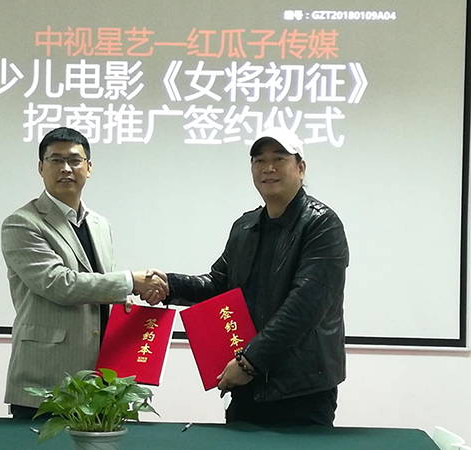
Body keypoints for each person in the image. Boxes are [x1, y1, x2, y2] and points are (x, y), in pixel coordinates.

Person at [145, 128, 349, 426]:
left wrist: (249, 362)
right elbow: (219, 285)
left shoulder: (322, 225)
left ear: (301, 168)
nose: (268, 168)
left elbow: (304, 307)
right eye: (259, 160)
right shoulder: (245, 227)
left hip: (302, 389)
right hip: (247, 388)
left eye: (279, 158)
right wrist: (169, 284)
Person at [1, 127, 167, 419]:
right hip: (45, 378)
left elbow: (97, 287)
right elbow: (58, 284)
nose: (66, 168)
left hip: (101, 380)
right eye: (56, 160)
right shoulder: (22, 223)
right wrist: (130, 282)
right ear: (41, 167)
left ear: (89, 168)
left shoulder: (100, 224)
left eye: (75, 160)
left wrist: (123, 300)